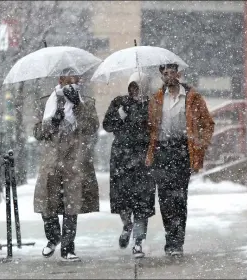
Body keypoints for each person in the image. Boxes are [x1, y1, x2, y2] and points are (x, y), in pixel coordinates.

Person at [145, 64, 215, 257]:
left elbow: (207, 123)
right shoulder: (157, 98)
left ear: (179, 73)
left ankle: (177, 242)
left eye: (171, 72)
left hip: (182, 151)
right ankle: (171, 239)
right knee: (165, 199)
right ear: (161, 76)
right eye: (164, 73)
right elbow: (149, 125)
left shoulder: (193, 97)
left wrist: (200, 143)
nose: (168, 76)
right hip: (162, 151)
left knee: (179, 198)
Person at [33, 68, 100, 262]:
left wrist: (78, 105)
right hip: (51, 161)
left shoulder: (86, 102)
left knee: (72, 205)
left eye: (77, 76)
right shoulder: (45, 102)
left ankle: (68, 248)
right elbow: (37, 133)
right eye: (72, 76)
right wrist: (52, 123)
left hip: (75, 159)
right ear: (61, 79)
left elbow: (92, 127)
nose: (76, 80)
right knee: (48, 204)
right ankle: (53, 237)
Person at [102, 71, 156, 258]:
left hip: (143, 159)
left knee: (142, 203)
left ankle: (138, 241)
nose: (135, 90)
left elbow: (156, 128)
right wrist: (119, 116)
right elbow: (107, 125)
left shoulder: (152, 105)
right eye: (132, 86)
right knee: (122, 199)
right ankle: (127, 225)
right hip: (121, 159)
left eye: (139, 87)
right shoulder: (119, 102)